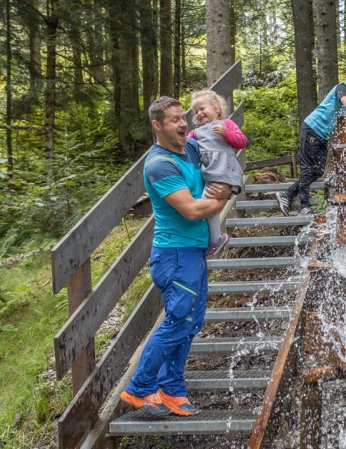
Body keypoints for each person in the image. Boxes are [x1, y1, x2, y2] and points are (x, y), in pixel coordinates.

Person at [119, 96, 230, 416]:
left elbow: (221, 156)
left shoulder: (191, 149)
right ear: (157, 125)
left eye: (184, 118)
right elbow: (193, 209)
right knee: (177, 321)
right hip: (174, 255)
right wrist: (221, 199)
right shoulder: (159, 164)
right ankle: (139, 388)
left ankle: (171, 389)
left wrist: (227, 184)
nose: (183, 124)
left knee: (191, 323)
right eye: (174, 120)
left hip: (193, 252)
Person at [276, 64, 346, 216]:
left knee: (318, 170)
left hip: (322, 136)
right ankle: (304, 204)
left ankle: (287, 194)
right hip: (312, 128)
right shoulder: (341, 88)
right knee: (307, 169)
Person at [187, 89, 248, 256]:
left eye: (202, 108)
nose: (199, 113)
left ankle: (215, 239)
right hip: (210, 174)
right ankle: (214, 237)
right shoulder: (196, 133)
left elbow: (242, 141)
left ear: (216, 108)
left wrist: (226, 133)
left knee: (206, 204)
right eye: (195, 111)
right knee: (206, 205)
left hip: (224, 171)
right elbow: (186, 146)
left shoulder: (226, 124)